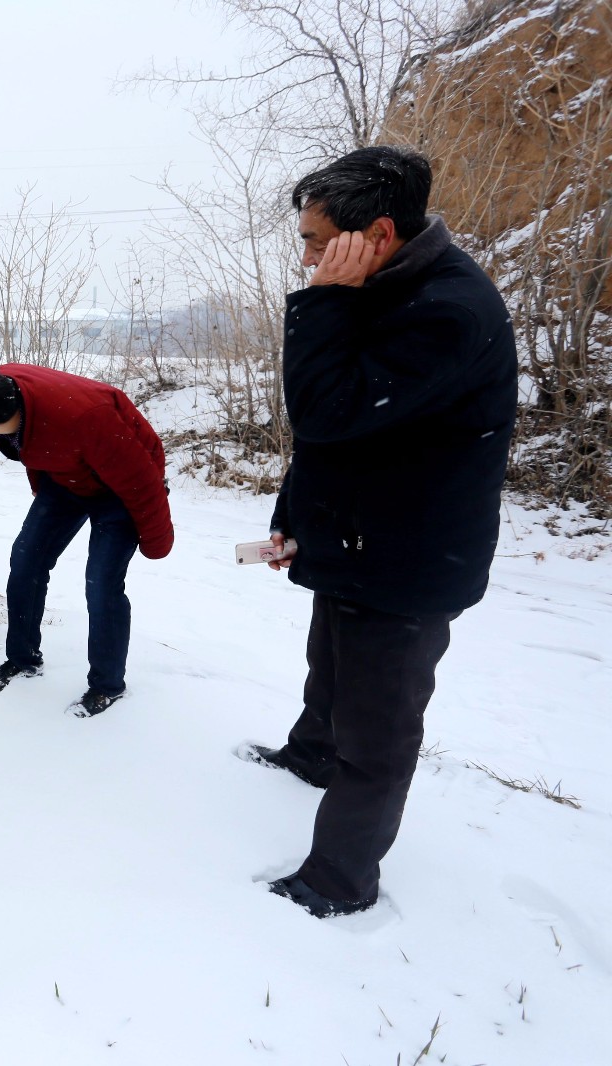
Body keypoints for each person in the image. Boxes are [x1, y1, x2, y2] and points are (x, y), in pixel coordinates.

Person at [245, 146, 518, 918]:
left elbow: (326, 410)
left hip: (408, 560)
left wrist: (324, 304)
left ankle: (339, 881)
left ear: (380, 232)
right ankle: (309, 755)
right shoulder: (385, 284)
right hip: (359, 537)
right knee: (328, 661)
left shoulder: (447, 311)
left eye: (312, 240)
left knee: (378, 728)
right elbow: (334, 439)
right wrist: (292, 520)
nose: (304, 258)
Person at [0, 363, 174, 716]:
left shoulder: (87, 418)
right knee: (26, 561)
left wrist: (157, 544)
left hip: (120, 490)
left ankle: (107, 685)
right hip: (66, 479)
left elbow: (142, 482)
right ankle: (22, 659)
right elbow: (36, 446)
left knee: (102, 585)